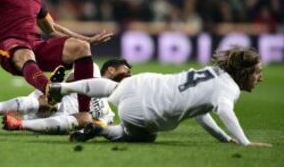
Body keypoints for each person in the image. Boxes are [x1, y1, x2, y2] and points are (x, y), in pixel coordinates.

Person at [48, 47, 272, 147]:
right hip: (145, 112)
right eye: (257, 72)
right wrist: (245, 142)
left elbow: (201, 114)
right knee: (143, 137)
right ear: (245, 72)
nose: (259, 78)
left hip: (145, 82)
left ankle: (64, 88)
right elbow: (224, 110)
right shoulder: (228, 88)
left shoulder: (214, 73)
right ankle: (101, 130)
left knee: (109, 87)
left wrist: (224, 138)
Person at [0, 58, 132, 135]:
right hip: (49, 103)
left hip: (54, 123)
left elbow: (101, 127)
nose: (129, 76)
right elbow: (71, 80)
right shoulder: (93, 69)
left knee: (85, 119)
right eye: (126, 71)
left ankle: (19, 123)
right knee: (49, 102)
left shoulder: (109, 112)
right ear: (111, 70)